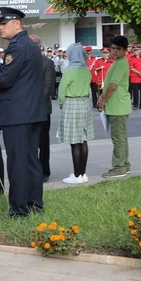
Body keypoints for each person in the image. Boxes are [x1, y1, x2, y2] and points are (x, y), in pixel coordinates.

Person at [0, 7, 46, 218]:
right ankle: (34, 203)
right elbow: (21, 77)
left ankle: (19, 209)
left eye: (3, 23)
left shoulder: (17, 47)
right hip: (30, 112)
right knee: (30, 161)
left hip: (18, 114)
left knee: (18, 162)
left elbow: (5, 81)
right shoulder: (29, 45)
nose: (0, 27)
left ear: (16, 23)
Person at [57, 44, 95, 184]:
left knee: (74, 142)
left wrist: (62, 103)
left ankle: (77, 175)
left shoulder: (70, 70)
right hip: (85, 103)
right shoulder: (86, 70)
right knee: (83, 139)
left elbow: (62, 90)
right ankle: (83, 173)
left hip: (72, 103)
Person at [98, 35, 132, 178]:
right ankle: (124, 165)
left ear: (125, 50)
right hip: (117, 106)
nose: (114, 51)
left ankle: (119, 167)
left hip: (118, 106)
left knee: (118, 138)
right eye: (112, 48)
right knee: (121, 137)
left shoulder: (121, 63)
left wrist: (104, 100)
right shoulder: (117, 62)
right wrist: (102, 95)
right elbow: (109, 85)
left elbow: (113, 86)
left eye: (118, 49)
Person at [30, 33, 54, 182]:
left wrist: (35, 105)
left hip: (42, 109)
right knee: (30, 143)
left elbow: (48, 87)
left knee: (43, 143)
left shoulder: (47, 63)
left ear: (38, 46)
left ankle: (44, 171)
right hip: (27, 109)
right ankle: (32, 170)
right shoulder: (24, 61)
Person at [128, 44, 141, 109]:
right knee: (135, 92)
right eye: (134, 50)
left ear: (140, 50)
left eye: (137, 50)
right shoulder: (131, 59)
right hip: (135, 77)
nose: (136, 51)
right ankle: (135, 104)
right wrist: (139, 73)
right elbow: (131, 68)